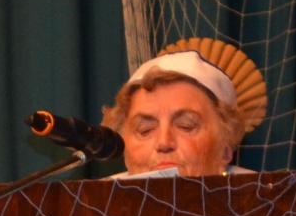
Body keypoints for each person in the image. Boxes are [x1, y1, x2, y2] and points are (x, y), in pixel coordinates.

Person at [101, 44, 264, 178]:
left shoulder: (263, 202)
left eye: (186, 126)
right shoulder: (94, 204)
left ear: (225, 151)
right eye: (145, 130)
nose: (164, 143)